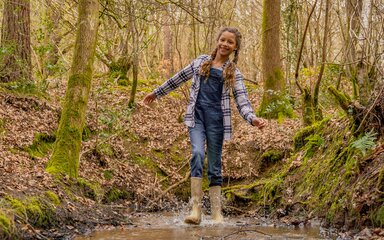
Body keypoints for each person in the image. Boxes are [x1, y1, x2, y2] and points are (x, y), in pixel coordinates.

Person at [143, 27, 266, 225]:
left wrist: (253, 119)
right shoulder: (200, 61)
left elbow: (242, 101)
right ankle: (196, 209)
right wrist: (157, 93)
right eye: (222, 40)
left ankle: (217, 213)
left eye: (230, 42)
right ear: (217, 41)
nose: (225, 44)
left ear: (235, 48)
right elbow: (178, 78)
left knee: (215, 166)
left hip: (218, 121)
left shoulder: (234, 72)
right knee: (198, 154)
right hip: (197, 118)